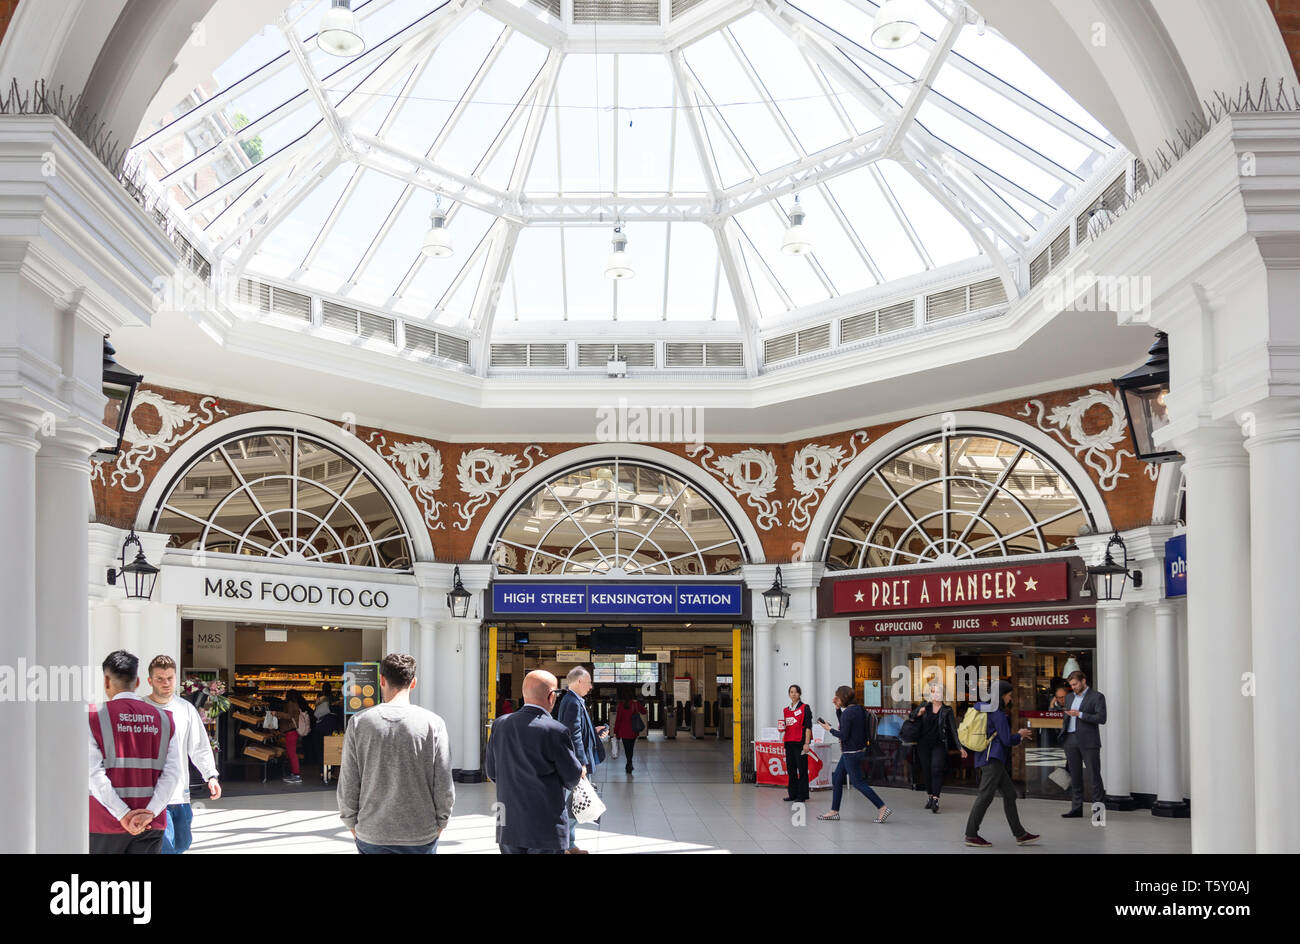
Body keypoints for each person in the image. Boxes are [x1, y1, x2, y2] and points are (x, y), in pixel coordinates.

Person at [337, 653, 454, 854]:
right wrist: (441, 823)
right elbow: (443, 782)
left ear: (382, 680)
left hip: (372, 833)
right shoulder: (433, 723)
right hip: (420, 833)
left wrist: (351, 823)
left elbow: (348, 781)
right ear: (414, 682)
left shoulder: (359, 722)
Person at [88, 650, 184, 854]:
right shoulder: (165, 719)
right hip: (150, 824)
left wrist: (123, 814)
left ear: (106, 681)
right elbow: (173, 773)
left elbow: (92, 774)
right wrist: (149, 813)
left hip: (104, 823)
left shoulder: (92, 717)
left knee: (106, 887)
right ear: (138, 681)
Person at [485, 670, 586, 854]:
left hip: (509, 823)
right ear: (551, 696)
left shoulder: (500, 725)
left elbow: (492, 772)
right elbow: (572, 778)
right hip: (545, 826)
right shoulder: (556, 731)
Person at [144, 655, 221, 854]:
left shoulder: (185, 709)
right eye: (160, 678)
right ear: (150, 680)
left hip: (180, 793)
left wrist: (210, 776)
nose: (165, 683)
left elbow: (199, 745)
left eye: (169, 678)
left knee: (182, 843)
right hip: (152, 796)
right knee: (165, 847)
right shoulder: (140, 709)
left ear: (176, 679)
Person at [964, 680, 1040, 848]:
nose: (1010, 699)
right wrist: (1019, 735)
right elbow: (1006, 740)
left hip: (985, 756)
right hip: (993, 759)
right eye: (1009, 695)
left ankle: (1020, 834)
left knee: (1010, 794)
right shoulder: (997, 714)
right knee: (985, 796)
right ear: (1002, 695)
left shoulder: (982, 707)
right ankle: (971, 834)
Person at [817, 685, 891, 823]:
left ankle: (882, 807)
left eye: (838, 697)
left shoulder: (848, 713)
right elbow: (846, 725)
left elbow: (843, 735)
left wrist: (829, 729)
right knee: (837, 778)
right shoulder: (858, 709)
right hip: (856, 751)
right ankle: (834, 811)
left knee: (858, 783)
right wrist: (837, 709)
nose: (836, 699)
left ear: (843, 697)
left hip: (850, 753)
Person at [555, 666, 607, 852]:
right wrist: (581, 762)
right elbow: (573, 733)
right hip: (577, 762)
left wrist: (594, 732)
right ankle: (563, 844)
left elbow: (578, 729)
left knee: (576, 803)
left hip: (576, 759)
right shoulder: (573, 702)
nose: (591, 686)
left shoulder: (573, 700)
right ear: (578, 681)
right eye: (589, 682)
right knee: (577, 804)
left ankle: (568, 844)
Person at [911, 680, 966, 814]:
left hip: (939, 744)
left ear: (943, 694)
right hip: (923, 744)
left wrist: (960, 748)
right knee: (927, 770)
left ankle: (935, 799)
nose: (936, 694)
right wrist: (919, 713)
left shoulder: (947, 710)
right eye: (933, 691)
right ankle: (930, 796)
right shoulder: (924, 706)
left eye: (939, 692)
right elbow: (911, 717)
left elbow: (953, 730)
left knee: (936, 769)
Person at [1059, 669, 1107, 818]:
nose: (1073, 687)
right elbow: (1066, 718)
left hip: (1089, 741)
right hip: (1070, 739)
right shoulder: (1068, 698)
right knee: (1075, 776)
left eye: (1075, 684)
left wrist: (1079, 714)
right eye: (1071, 685)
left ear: (1083, 681)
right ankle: (1076, 809)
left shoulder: (1097, 697)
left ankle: (1098, 813)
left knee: (1094, 776)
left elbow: (1101, 718)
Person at [782, 684, 813, 802]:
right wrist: (782, 728)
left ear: (799, 694)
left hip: (800, 742)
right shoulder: (786, 710)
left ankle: (803, 794)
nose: (793, 694)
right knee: (791, 769)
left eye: (795, 692)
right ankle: (792, 794)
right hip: (789, 742)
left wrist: (807, 743)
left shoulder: (805, 707)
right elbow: (787, 726)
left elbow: (808, 727)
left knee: (802, 769)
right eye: (791, 692)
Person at [612, 687, 647, 774]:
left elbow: (618, 720)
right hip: (633, 731)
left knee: (627, 749)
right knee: (631, 748)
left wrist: (615, 731)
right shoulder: (635, 704)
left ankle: (629, 763)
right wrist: (640, 703)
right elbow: (644, 711)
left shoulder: (620, 705)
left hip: (623, 731)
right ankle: (629, 763)